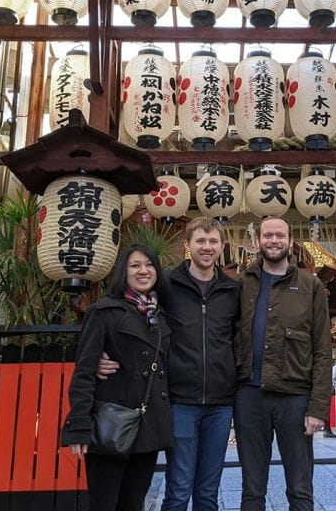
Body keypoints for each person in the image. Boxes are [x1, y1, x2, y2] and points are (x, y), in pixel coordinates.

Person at [96, 217, 240, 511]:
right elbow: (132, 318)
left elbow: (240, 337)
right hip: (179, 398)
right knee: (179, 487)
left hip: (221, 402)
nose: (207, 247)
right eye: (200, 241)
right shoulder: (166, 285)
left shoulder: (232, 290)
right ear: (187, 245)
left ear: (222, 246)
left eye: (213, 242)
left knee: (208, 490)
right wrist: (102, 353)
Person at [61, 244, 173, 511]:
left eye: (149, 265)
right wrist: (78, 425)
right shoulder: (103, 312)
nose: (143, 271)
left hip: (148, 427)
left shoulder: (160, 316)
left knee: (133, 503)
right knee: (104, 504)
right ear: (123, 272)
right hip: (112, 424)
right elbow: (85, 371)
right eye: (135, 266)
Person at [234, 216, 332, 511]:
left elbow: (322, 349)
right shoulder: (242, 284)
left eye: (280, 235)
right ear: (257, 241)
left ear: (290, 241)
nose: (273, 240)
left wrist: (317, 409)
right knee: (252, 487)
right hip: (250, 395)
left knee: (300, 486)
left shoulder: (310, 286)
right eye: (268, 235)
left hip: (295, 397)